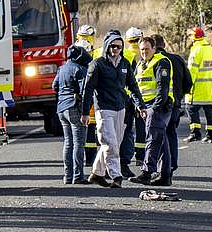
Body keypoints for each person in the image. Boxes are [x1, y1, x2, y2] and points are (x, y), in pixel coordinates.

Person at [80, 30, 145, 188]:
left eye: (119, 47)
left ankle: (96, 173)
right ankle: (116, 176)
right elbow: (88, 89)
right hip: (104, 109)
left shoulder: (124, 64)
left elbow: (133, 86)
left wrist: (141, 105)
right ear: (107, 46)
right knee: (110, 143)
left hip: (120, 108)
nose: (116, 50)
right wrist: (85, 112)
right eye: (113, 46)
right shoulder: (97, 64)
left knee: (114, 142)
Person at [129, 36, 174, 186]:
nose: (144, 52)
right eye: (142, 49)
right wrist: (140, 106)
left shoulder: (161, 62)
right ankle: (165, 176)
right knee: (161, 141)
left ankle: (147, 173)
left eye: (147, 49)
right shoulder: (141, 64)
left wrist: (154, 109)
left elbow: (163, 88)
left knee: (152, 138)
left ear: (154, 49)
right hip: (145, 106)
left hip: (158, 106)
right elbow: (136, 87)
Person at [52, 45, 92, 184]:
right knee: (79, 143)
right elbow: (85, 91)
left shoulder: (62, 68)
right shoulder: (80, 69)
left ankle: (67, 176)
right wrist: (86, 112)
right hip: (74, 107)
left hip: (61, 109)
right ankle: (78, 176)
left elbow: (54, 86)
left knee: (68, 143)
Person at [154, 34, 190, 173]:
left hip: (158, 104)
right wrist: (179, 96)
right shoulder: (177, 59)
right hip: (174, 104)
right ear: (164, 44)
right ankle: (171, 163)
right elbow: (188, 82)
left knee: (157, 137)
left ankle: (160, 166)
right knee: (171, 134)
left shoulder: (153, 61)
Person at [184, 26, 212, 143]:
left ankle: (195, 133)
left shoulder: (195, 52)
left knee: (190, 109)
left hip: (198, 90)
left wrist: (186, 87)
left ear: (194, 39)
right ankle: (211, 135)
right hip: (211, 90)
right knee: (209, 112)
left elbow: (191, 73)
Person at [120, 27, 146, 175]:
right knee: (141, 127)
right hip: (140, 95)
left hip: (126, 97)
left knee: (128, 129)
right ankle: (140, 156)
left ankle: (126, 156)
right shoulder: (143, 52)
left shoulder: (126, 54)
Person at [75, 25, 100, 164]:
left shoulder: (71, 58)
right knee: (91, 130)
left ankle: (83, 160)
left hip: (74, 102)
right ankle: (90, 159)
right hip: (90, 100)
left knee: (80, 132)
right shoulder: (94, 56)